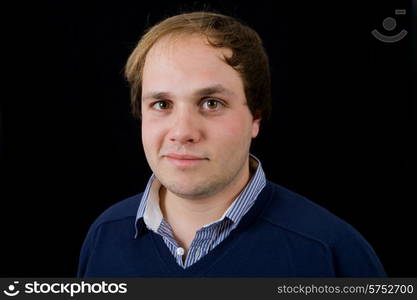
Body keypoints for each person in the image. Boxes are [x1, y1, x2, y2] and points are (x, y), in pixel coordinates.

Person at [77, 11, 386, 277]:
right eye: (161, 104)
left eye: (211, 103)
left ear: (256, 116)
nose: (182, 132)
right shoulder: (105, 235)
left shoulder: (331, 252)